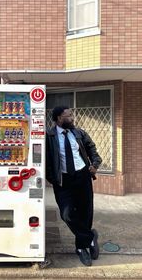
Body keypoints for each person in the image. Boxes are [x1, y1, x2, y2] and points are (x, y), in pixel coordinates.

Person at [46, 106, 102, 266]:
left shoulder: (79, 133)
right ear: (58, 118)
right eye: (68, 115)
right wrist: (52, 178)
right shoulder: (49, 136)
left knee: (85, 213)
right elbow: (47, 160)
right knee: (67, 214)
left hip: (83, 176)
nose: (72, 117)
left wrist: (95, 164)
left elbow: (92, 148)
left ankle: (81, 248)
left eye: (71, 114)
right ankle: (90, 237)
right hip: (63, 180)